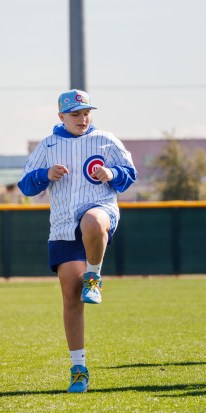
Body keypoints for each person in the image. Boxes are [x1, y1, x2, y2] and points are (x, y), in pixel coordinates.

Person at [18, 89, 137, 392]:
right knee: (71, 294)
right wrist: (46, 174)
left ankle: (94, 277)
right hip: (61, 227)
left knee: (93, 220)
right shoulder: (48, 145)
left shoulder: (105, 140)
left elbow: (129, 174)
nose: (82, 118)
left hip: (100, 211)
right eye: (75, 114)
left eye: (86, 113)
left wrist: (110, 172)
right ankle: (78, 369)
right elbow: (26, 185)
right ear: (61, 116)